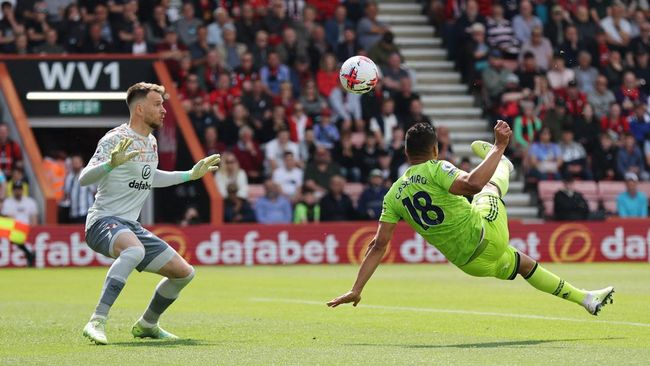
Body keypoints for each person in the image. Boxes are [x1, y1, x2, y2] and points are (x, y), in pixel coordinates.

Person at [327, 122, 614, 316]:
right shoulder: (435, 168)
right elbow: (473, 184)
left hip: (470, 264)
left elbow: (378, 245)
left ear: (405, 153)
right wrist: (499, 145)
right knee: (488, 186)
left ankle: (586, 300)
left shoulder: (392, 196)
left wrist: (357, 288)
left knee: (525, 264)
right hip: (486, 233)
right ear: (436, 150)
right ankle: (501, 161)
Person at [79, 83, 221, 345]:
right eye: (158, 104)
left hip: (131, 226)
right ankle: (96, 320)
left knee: (184, 273)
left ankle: (147, 324)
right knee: (134, 251)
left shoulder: (151, 142)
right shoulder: (115, 138)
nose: (164, 110)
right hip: (102, 221)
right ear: (140, 108)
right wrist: (110, 164)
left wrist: (190, 175)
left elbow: (150, 177)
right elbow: (84, 178)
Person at [1, 180, 37, 267]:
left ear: (23, 190)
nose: (18, 191)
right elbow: (7, 219)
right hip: (13, 230)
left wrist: (34, 229)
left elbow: (34, 219)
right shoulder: (7, 202)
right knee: (15, 236)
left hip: (27, 229)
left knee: (18, 237)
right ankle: (29, 254)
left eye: (19, 189)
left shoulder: (30, 202)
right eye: (16, 189)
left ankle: (28, 254)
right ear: (12, 190)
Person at [62, 154, 95, 224]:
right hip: (73, 212)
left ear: (81, 163)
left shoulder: (87, 174)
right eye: (73, 163)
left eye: (77, 162)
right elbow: (66, 193)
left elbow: (94, 192)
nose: (75, 164)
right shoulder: (69, 176)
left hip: (85, 211)